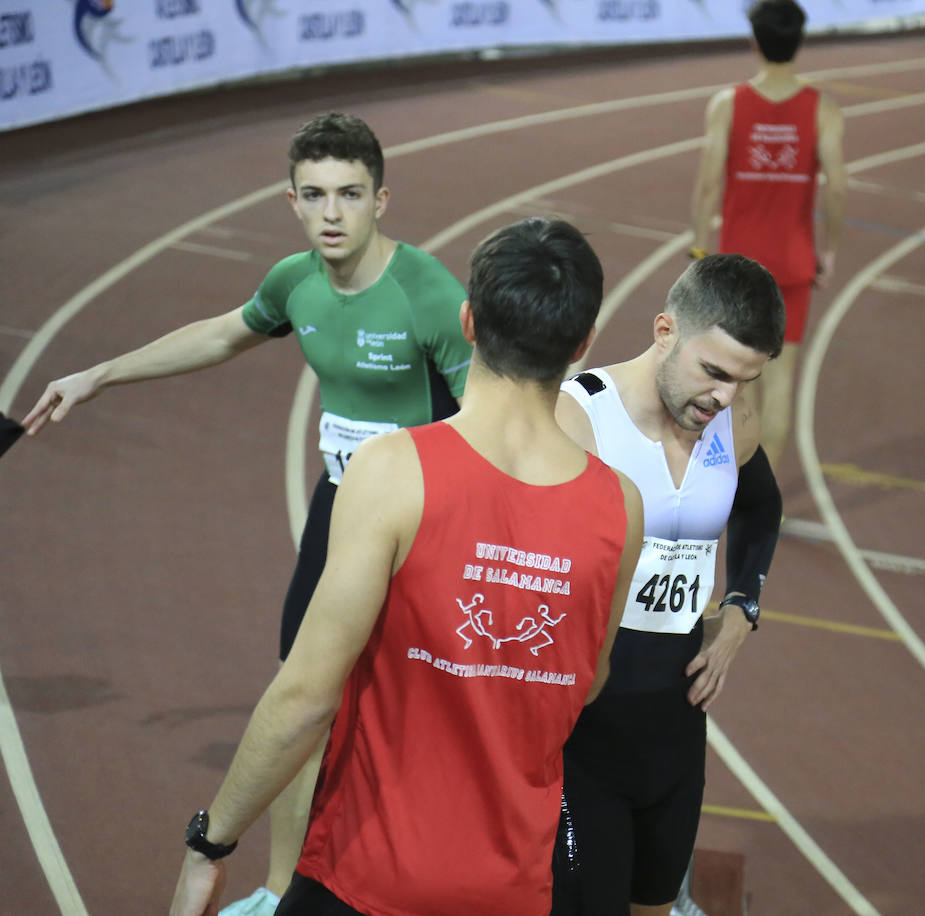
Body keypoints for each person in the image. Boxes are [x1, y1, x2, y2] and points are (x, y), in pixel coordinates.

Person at [22, 112, 474, 915]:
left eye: (349, 194)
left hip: (427, 527)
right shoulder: (293, 281)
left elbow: (491, 420)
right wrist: (102, 373)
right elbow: (224, 334)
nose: (332, 212)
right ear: (291, 201)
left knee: (435, 711)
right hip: (342, 513)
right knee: (302, 700)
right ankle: (277, 893)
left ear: (381, 200)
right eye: (314, 195)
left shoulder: (430, 296)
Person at [170, 216, 644, 916]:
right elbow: (589, 680)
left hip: (368, 874)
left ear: (468, 322)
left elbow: (305, 697)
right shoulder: (620, 506)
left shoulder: (394, 470)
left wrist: (210, 845)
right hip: (510, 886)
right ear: (582, 345)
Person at [552, 254, 785, 915]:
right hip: (580, 732)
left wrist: (743, 604)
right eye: (713, 372)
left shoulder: (732, 427)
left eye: (746, 380)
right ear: (664, 332)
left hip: (676, 729)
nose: (724, 397)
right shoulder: (580, 420)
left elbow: (761, 508)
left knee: (655, 906)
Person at [689, 0, 846, 478]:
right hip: (792, 264)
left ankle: (733, 484)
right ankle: (766, 496)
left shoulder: (729, 104)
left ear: (754, 41)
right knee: (780, 384)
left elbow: (708, 184)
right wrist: (830, 250)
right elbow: (837, 186)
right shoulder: (822, 109)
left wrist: (699, 250)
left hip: (738, 267)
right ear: (799, 42)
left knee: (738, 383)